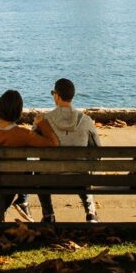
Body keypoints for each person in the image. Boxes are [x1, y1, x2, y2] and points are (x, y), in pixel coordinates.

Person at [0, 89, 58, 222]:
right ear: (19, 112)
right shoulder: (23, 134)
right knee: (26, 169)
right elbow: (53, 143)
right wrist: (42, 123)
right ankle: (20, 201)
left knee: (6, 173)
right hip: (14, 180)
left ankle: (2, 213)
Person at [36, 77, 100, 223]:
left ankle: (48, 215)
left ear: (57, 96)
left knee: (38, 172)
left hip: (48, 178)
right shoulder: (86, 120)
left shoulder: (43, 119)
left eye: (53, 93)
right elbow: (97, 149)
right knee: (83, 170)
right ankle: (91, 213)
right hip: (78, 177)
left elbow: (33, 143)